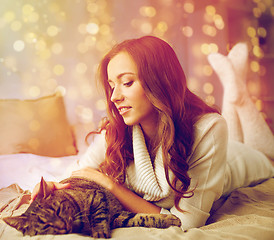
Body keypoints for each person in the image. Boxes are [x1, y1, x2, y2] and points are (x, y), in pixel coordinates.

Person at [31, 36, 274, 230]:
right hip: (218, 151)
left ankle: (237, 93)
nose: (114, 97)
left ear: (160, 81)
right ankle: (235, 89)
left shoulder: (209, 128)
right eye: (111, 86)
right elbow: (82, 172)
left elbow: (185, 222)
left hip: (242, 159)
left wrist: (112, 186)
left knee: (265, 151)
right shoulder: (117, 130)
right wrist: (55, 186)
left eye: (126, 83)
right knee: (232, 123)